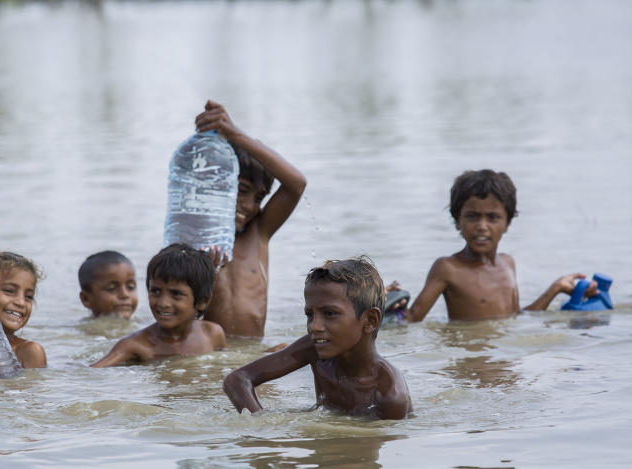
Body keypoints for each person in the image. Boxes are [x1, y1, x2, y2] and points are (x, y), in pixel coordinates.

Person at [223, 257, 411, 420]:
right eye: (310, 315)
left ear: (370, 320)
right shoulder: (316, 349)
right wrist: (260, 428)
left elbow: (370, 448)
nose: (314, 327)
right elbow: (237, 380)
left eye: (330, 313)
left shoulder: (390, 396)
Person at [403, 170, 598, 322]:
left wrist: (556, 288)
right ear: (457, 220)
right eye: (472, 216)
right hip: (470, 363)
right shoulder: (448, 268)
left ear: (508, 223)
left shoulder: (507, 263)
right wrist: (387, 302)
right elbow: (411, 319)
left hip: (506, 362)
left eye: (493, 217)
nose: (482, 227)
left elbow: (517, 319)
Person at [195, 99, 306, 338]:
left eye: (259, 197)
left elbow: (296, 184)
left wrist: (236, 135)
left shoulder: (260, 232)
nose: (249, 205)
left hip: (252, 353)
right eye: (242, 190)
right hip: (211, 354)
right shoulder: (193, 238)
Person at [91, 243, 226, 367]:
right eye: (155, 291)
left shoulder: (212, 334)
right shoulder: (135, 345)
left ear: (202, 301)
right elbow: (92, 372)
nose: (163, 303)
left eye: (176, 294)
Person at [78, 250, 139, 320]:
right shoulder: (89, 330)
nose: (125, 294)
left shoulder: (145, 327)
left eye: (131, 287)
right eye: (111, 288)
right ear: (86, 299)